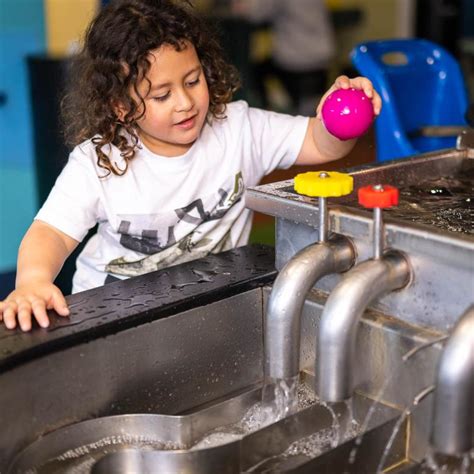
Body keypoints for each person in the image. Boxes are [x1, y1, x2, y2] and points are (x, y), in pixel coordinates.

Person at [0, 0, 381, 332]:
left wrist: (338, 115)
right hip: (111, 317)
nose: (185, 102)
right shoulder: (99, 160)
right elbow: (51, 232)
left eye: (193, 80)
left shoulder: (239, 128)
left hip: (209, 305)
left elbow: (318, 142)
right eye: (162, 94)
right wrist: (33, 281)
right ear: (120, 105)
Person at [231, 0, 336, 115]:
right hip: (322, 54)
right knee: (311, 107)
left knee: (257, 72)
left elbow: (254, 13)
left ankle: (271, 109)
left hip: (296, 57)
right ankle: (284, 104)